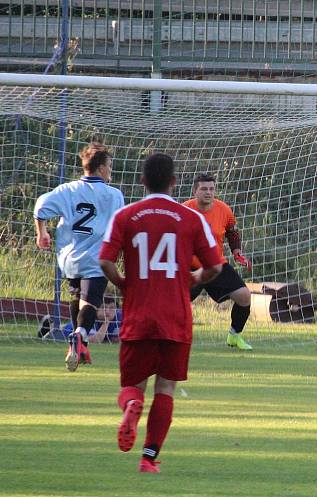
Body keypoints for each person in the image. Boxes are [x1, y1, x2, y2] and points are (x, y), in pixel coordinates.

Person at [99, 152, 222, 473]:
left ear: (142, 181)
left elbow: (104, 261)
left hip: (138, 315)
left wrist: (123, 283)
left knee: (132, 386)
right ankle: (148, 458)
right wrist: (196, 277)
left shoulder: (126, 216)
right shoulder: (190, 218)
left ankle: (131, 405)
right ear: (174, 182)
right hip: (175, 316)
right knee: (165, 388)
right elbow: (216, 266)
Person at [33, 140, 125, 371]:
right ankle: (80, 335)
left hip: (69, 259)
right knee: (91, 303)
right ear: (102, 168)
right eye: (110, 165)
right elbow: (120, 227)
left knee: (78, 299)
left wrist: (41, 232)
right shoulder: (114, 195)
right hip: (97, 259)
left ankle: (79, 346)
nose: (111, 170)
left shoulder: (67, 190)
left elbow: (40, 208)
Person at [183, 173, 253, 350]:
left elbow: (232, 231)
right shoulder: (183, 210)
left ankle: (234, 336)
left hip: (215, 265)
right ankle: (166, 337)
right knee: (174, 303)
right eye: (204, 189)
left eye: (212, 189)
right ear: (195, 191)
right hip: (189, 266)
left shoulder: (224, 209)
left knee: (244, 296)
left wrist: (237, 251)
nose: (209, 192)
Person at [39, 294, 123, 344]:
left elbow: (116, 339)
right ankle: (50, 325)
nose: (107, 311)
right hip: (68, 332)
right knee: (56, 333)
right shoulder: (91, 317)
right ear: (96, 308)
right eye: (103, 307)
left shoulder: (119, 316)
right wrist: (106, 323)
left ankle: (51, 322)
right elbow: (94, 340)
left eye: (112, 308)